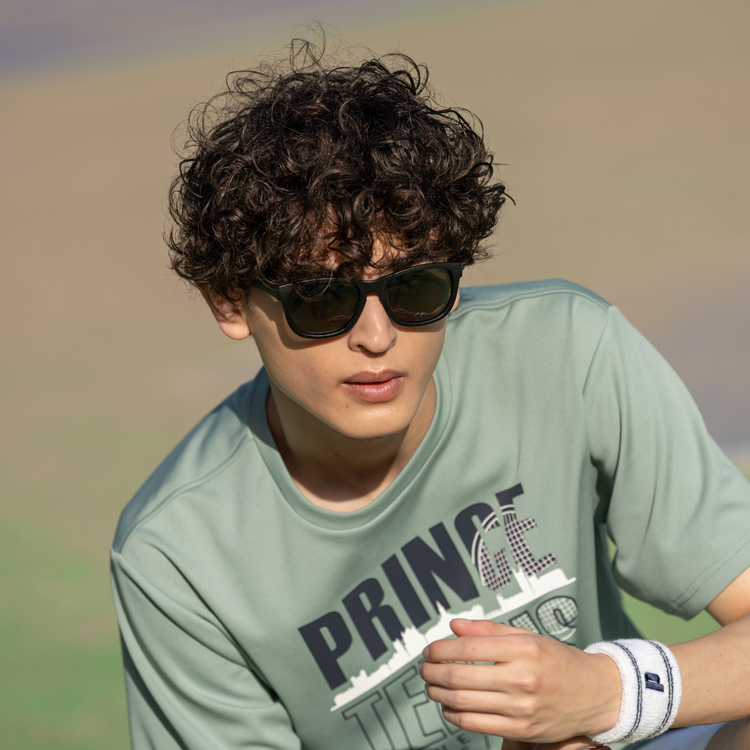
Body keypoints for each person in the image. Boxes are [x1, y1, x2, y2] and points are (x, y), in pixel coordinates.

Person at [110, 38, 750, 750]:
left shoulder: (566, 348)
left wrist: (609, 693)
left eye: (414, 288)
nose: (378, 336)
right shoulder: (176, 554)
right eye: (322, 300)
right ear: (230, 303)